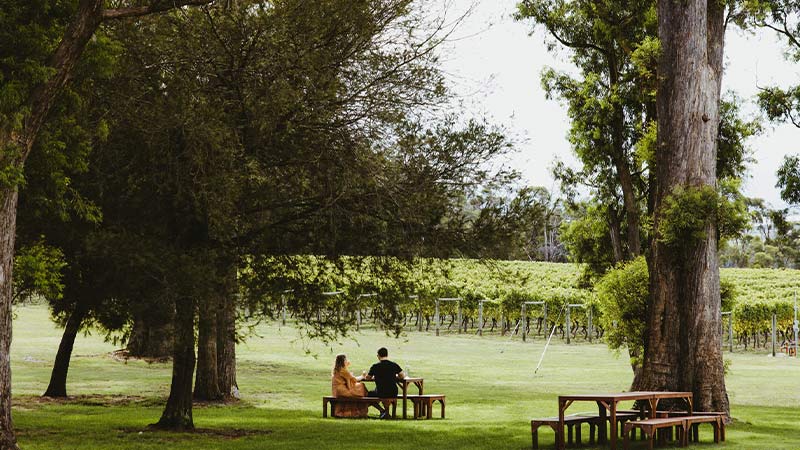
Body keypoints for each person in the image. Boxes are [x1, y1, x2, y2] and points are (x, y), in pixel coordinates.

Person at [364, 347, 404, 419]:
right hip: (393, 392)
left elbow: (368, 378)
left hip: (381, 392)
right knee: (374, 393)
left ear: (378, 356)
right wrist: (395, 377)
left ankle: (382, 411)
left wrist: (365, 375)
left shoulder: (375, 366)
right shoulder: (394, 365)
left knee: (368, 395)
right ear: (387, 355)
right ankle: (385, 412)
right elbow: (402, 376)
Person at [330, 353, 369, 418]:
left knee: (360, 387)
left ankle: (360, 408)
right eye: (345, 360)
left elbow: (349, 378)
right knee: (362, 386)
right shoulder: (343, 370)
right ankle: (360, 410)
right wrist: (363, 376)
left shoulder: (338, 369)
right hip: (342, 391)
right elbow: (354, 379)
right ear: (343, 361)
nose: (347, 361)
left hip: (336, 391)